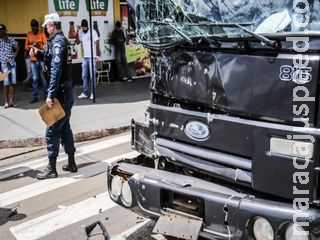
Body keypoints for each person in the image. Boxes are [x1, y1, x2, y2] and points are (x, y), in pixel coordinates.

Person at [33, 13, 77, 180]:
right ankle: (71, 163)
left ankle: (51, 168)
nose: (45, 28)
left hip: (61, 94)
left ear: (52, 26)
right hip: (66, 92)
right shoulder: (59, 41)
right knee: (65, 128)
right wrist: (39, 53)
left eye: (46, 26)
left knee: (51, 130)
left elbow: (56, 70)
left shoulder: (58, 42)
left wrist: (50, 94)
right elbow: (51, 59)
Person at [76, 19, 101, 99]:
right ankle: (85, 92)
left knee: (92, 75)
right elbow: (77, 42)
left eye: (85, 28)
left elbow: (97, 43)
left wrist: (97, 55)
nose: (84, 29)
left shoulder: (92, 32)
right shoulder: (81, 33)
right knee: (84, 75)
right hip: (85, 57)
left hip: (92, 56)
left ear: (87, 26)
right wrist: (77, 32)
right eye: (82, 28)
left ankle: (93, 93)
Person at [25, 19, 47, 103]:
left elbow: (45, 46)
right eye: (33, 27)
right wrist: (31, 45)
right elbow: (26, 47)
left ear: (38, 27)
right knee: (35, 78)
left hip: (41, 59)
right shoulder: (29, 34)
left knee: (43, 78)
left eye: (36, 26)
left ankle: (46, 96)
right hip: (33, 60)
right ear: (31, 27)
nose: (34, 28)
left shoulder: (42, 34)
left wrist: (39, 45)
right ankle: (35, 96)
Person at [0, 24, 19, 108]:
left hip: (12, 64)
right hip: (3, 65)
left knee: (13, 83)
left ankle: (12, 101)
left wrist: (15, 54)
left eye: (2, 30)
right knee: (5, 83)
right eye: (0, 31)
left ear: (5, 30)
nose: (1, 32)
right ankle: (6, 102)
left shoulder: (11, 40)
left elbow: (17, 45)